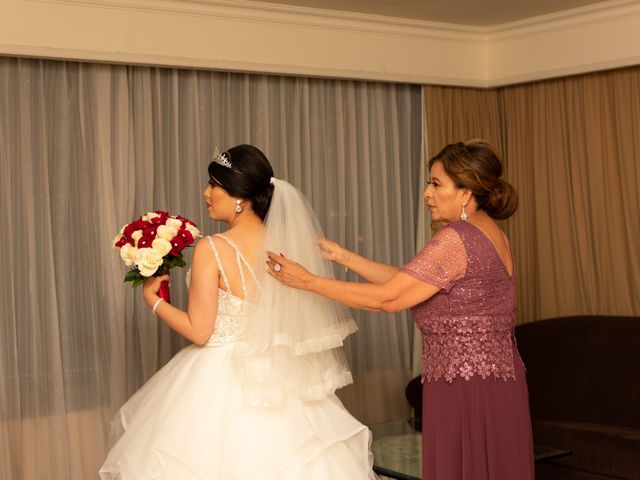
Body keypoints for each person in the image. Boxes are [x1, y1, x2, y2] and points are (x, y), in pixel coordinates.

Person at [100, 144, 377, 479]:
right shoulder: (289, 245)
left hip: (219, 378)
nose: (206, 192)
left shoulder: (212, 248)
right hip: (281, 378)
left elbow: (200, 331)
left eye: (214, 184)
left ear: (240, 198)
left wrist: (154, 301)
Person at [266, 140, 535, 480]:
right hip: (500, 383)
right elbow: (411, 282)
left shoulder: (456, 238)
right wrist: (342, 256)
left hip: (464, 388)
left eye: (436, 184)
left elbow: (388, 299)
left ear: (466, 192)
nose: (426, 193)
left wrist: (308, 282)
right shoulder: (492, 233)